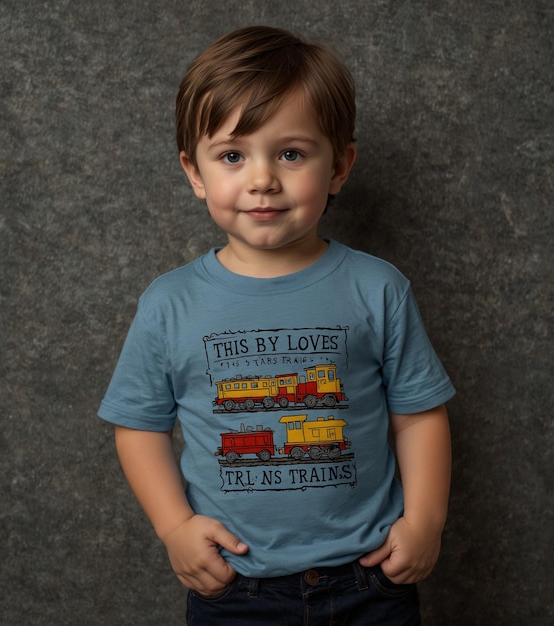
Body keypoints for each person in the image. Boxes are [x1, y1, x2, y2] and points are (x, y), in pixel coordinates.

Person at [98, 25, 455, 625]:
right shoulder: (170, 303)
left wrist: (424, 521)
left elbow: (418, 415)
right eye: (233, 156)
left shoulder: (378, 288)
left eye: (291, 153)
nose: (262, 178)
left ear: (339, 167)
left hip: (369, 579)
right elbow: (138, 426)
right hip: (238, 586)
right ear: (195, 172)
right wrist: (176, 527)